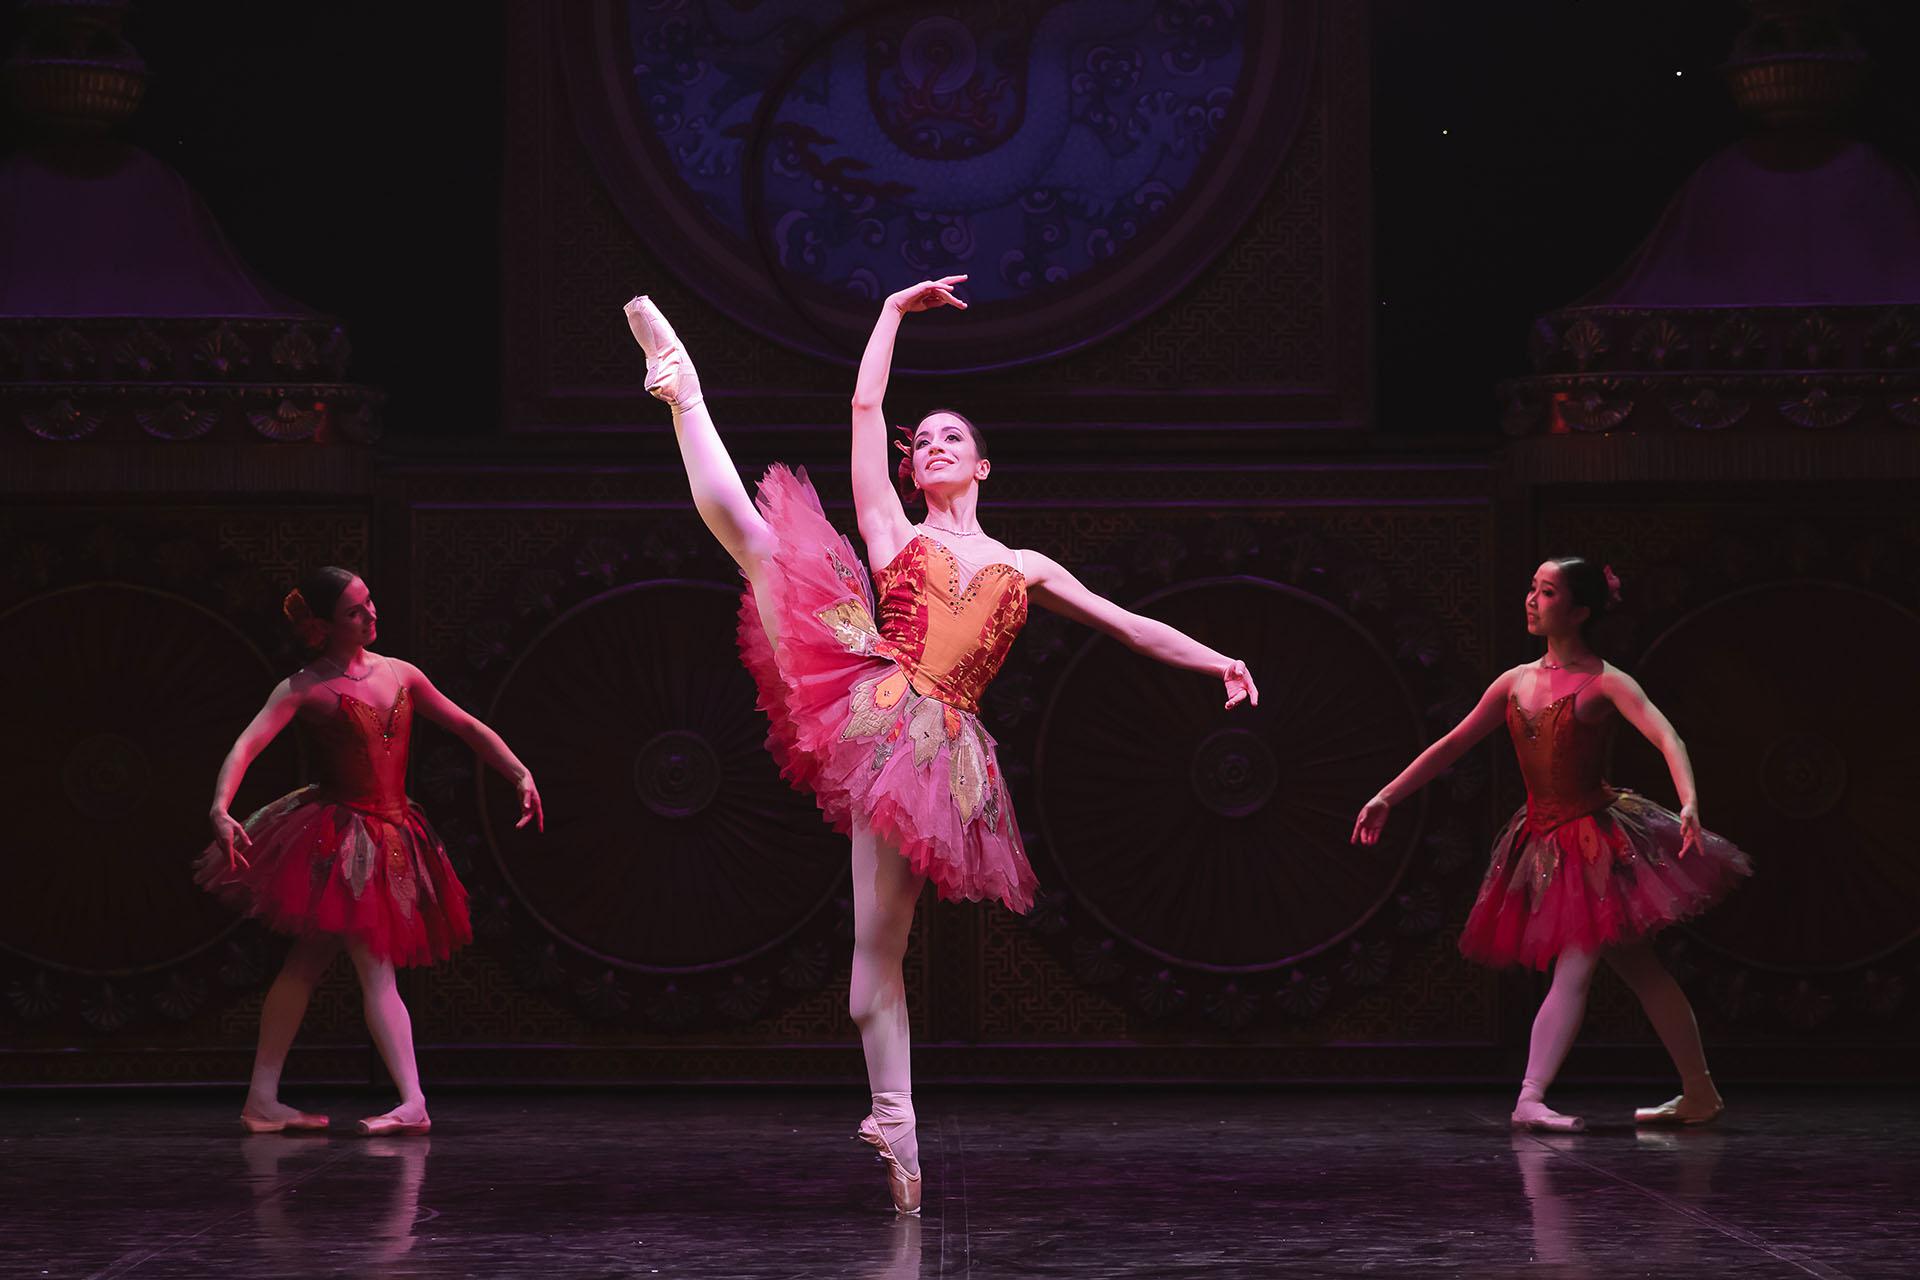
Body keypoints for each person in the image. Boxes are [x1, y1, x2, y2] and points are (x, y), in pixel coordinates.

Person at [626, 277, 1258, 1211]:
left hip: (937, 751)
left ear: (983, 467)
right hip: (869, 686)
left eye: (950, 438)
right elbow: (865, 407)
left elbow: (1126, 624)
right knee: (762, 546)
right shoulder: (891, 530)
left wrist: (1218, 660)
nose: (931, 446)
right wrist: (889, 315)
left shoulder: (1024, 566)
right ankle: (683, 390)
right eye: (921, 441)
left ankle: (897, 1126)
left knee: (872, 968)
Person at [1351, 557, 1750, 1132]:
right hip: (1545, 840)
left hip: (1595, 844)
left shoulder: (1606, 682)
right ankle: (1699, 1093)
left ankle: (1530, 1097)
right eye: (1532, 589)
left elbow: (1667, 736)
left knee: (1578, 963)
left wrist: (1688, 801)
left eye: (1547, 592)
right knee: (1641, 969)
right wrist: (1388, 796)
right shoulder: (1514, 683)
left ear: (1580, 610)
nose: (1532, 600)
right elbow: (1453, 743)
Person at [199, 567, 543, 1135]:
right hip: (340, 841)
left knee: (306, 963)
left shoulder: (402, 674)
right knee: (370, 964)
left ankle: (263, 1100)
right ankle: (412, 1101)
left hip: (393, 833)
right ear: (323, 626)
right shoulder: (305, 688)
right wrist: (219, 806)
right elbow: (246, 746)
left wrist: (519, 772)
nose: (371, 615)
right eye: (355, 611)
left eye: (370, 602)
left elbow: (466, 725)